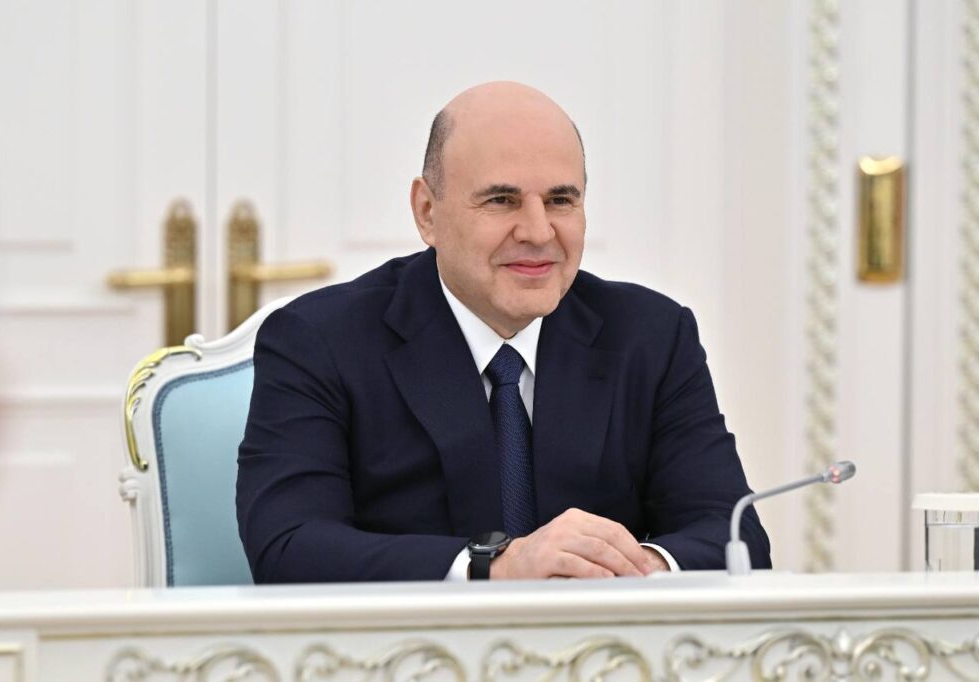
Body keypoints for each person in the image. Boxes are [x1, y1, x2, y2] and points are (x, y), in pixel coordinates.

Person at [237, 81, 770, 582]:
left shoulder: (652, 336)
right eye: (501, 200)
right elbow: (288, 546)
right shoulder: (319, 340)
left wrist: (631, 568)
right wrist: (494, 567)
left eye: (560, 200)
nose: (538, 232)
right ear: (427, 212)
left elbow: (735, 535)